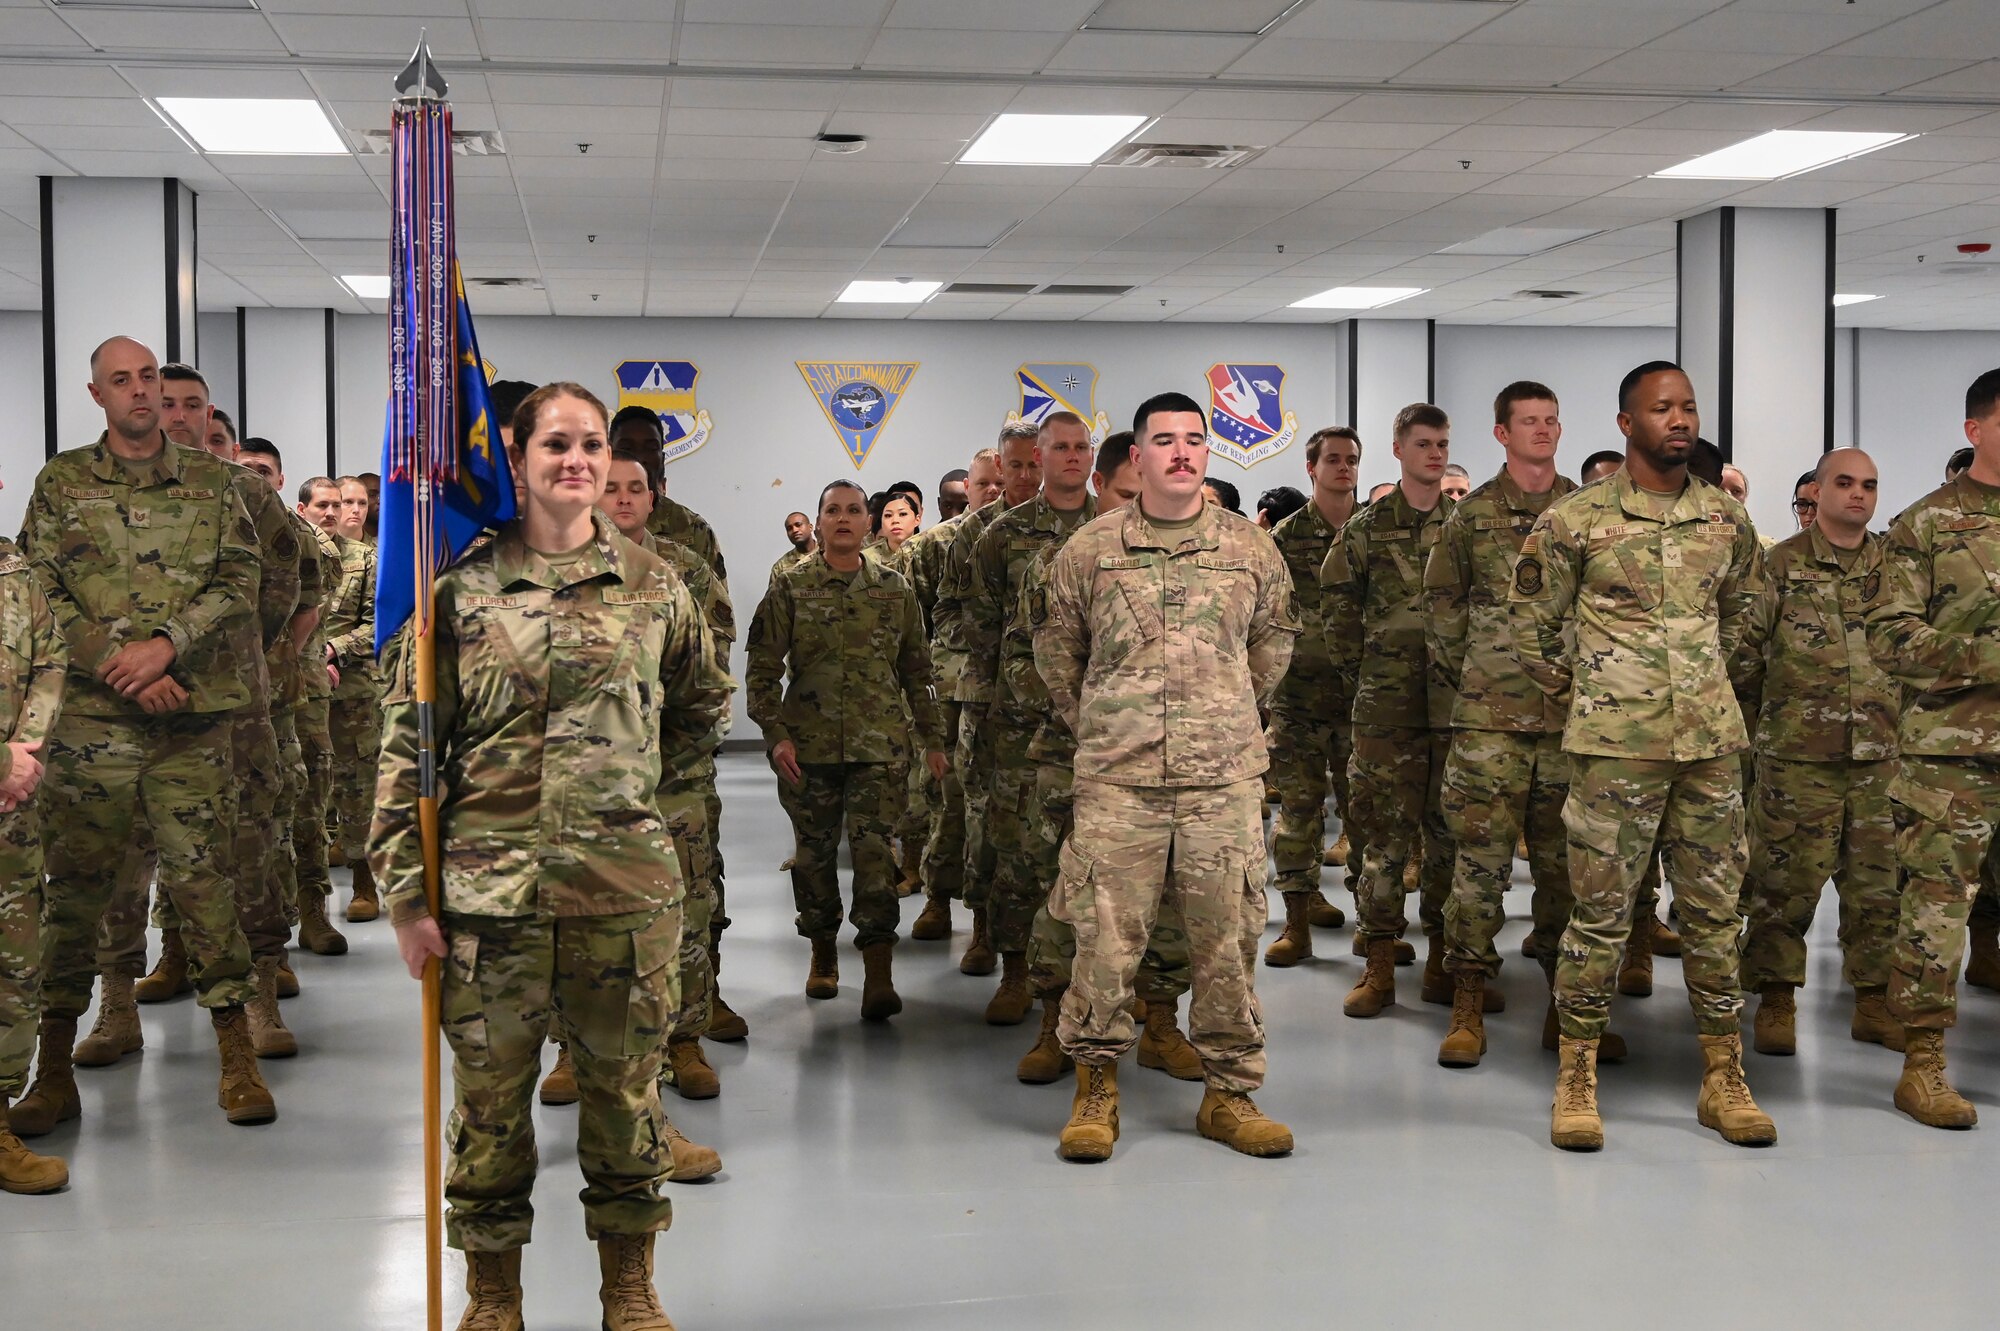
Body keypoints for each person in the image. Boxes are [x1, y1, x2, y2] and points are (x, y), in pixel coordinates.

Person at [378, 381, 730, 1330]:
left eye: (589, 445)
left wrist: (639, 805)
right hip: (491, 907)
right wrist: (408, 901)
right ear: (517, 460)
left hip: (624, 900)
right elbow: (406, 752)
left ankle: (628, 1284)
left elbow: (703, 706)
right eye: (554, 444)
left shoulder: (659, 584)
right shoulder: (458, 593)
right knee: (490, 1117)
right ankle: (493, 1294)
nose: (575, 460)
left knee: (624, 1100)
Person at [11, 337, 276, 1140]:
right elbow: (37, 580)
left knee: (206, 883)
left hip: (188, 717)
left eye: (149, 376)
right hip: (91, 721)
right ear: (96, 395)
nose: (139, 391)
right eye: (121, 380)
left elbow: (241, 576)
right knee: (76, 891)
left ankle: (237, 1055)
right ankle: (53, 1065)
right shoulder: (62, 480)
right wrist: (115, 663)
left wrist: (166, 644)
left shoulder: (212, 482)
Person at [1511, 360, 1774, 1152]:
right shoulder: (1576, 520)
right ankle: (1578, 1073)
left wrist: (1708, 685)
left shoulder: (1725, 520)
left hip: (1708, 752)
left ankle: (1724, 1075)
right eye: (1662, 409)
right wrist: (1592, 695)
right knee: (1596, 919)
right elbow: (1528, 628)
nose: (1680, 420)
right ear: (1627, 423)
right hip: (1612, 756)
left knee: (1716, 918)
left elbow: (1751, 617)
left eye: (1688, 407)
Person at [1037, 390, 1297, 1163]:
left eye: (1194, 439)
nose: (1181, 451)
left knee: (1228, 937)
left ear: (1206, 454)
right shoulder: (1089, 550)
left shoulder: (1251, 549)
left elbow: (1273, 644)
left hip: (1222, 780)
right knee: (1105, 941)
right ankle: (1095, 1085)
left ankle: (1229, 1093)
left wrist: (1227, 715)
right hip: (1120, 780)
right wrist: (1103, 725)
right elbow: (1058, 653)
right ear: (1138, 456)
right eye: (1165, 440)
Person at [83, 365, 301, 1067]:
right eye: (164, 401)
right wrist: (129, 670)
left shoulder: (243, 492)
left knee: (247, 853)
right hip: (120, 708)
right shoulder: (89, 487)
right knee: (119, 860)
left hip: (227, 712)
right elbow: (69, 592)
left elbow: (283, 582)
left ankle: (259, 993)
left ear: (210, 415)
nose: (175, 414)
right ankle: (116, 1003)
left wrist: (229, 662)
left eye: (190, 404)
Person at [1014, 433, 1200, 1084]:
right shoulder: (1064, 562)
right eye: (1126, 494)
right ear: (1099, 486)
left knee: (1170, 894)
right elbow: (1042, 661)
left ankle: (1161, 1022)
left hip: (1172, 760)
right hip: (1078, 755)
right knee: (1068, 893)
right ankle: (1055, 1023)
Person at [1430, 382, 1604, 1066]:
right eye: (1529, 422)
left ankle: (1568, 1012)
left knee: (1568, 871)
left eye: (1551, 421)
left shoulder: (1588, 513)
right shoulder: (1469, 517)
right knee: (1478, 868)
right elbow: (1442, 607)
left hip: (1571, 723)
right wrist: (1481, 672)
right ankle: (1468, 1002)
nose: (1543, 431)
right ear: (1501, 433)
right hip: (1490, 723)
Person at [746, 480, 944, 1020]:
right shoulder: (791, 587)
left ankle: (879, 967)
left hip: (879, 746)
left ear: (868, 522)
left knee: (875, 858)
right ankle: (822, 953)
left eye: (853, 511)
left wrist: (931, 740)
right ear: (820, 520)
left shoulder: (894, 589)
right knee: (813, 858)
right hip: (806, 750)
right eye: (832, 510)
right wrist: (775, 734)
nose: (842, 519)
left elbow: (916, 671)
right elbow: (762, 672)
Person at [1731, 447, 1901, 1058]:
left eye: (1870, 485)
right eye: (1846, 483)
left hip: (1882, 756)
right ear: (1819, 491)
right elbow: (1745, 656)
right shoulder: (1777, 565)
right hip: (1798, 756)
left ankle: (1874, 999)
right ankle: (1776, 996)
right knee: (1784, 883)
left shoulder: (1897, 567)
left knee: (1879, 888)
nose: (1858, 495)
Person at [1865, 368, 2000, 1129]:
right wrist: (1988, 658)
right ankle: (1922, 1065)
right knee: (1937, 912)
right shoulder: (1927, 526)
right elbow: (1893, 637)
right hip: (1955, 756)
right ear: (1974, 428)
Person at [1322, 403, 1458, 1018]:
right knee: (1382, 842)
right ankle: (1379, 964)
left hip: (1458, 711)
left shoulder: (1468, 527)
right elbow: (1337, 609)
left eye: (1442, 444)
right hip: (1386, 712)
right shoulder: (1368, 529)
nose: (1434, 454)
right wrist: (1368, 677)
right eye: (1423, 444)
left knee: (1452, 841)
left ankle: (1443, 962)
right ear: (1399, 450)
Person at [964, 412, 1097, 1025]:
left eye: (1081, 447)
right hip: (1022, 725)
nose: (1072, 457)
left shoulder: (1118, 530)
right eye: (1059, 449)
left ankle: (1096, 984)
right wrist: (991, 703)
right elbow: (978, 627)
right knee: (1020, 854)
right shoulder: (1003, 534)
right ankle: (1017, 972)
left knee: (1101, 856)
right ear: (1037, 458)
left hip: (1103, 726)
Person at [932, 426, 1041, 976]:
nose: (1021, 479)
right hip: (987, 700)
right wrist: (992, 647)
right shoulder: (969, 535)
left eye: (1030, 466)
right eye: (1013, 468)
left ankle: (1045, 948)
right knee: (985, 820)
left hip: (1056, 708)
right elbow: (945, 611)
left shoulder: (1078, 529)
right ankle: (982, 929)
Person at [1263, 427, 1364, 968]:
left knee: (1367, 816)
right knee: (1299, 814)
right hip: (1299, 698)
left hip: (1364, 702)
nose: (1343, 468)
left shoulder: (1371, 532)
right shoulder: (1282, 538)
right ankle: (1296, 922)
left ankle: (1375, 926)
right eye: (1332, 459)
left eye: (1351, 460)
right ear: (1312, 468)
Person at [0, 454, 68, 1194]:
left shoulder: (16, 572)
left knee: (16, 965)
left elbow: (50, 660)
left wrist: (26, 750)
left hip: (14, 814)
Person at [904, 447, 1004, 941]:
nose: (992, 493)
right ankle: (938, 898)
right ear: (969, 486)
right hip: (947, 685)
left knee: (995, 802)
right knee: (947, 797)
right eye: (983, 484)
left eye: (999, 486)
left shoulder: (1026, 533)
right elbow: (919, 618)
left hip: (1006, 692)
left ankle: (990, 918)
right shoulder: (936, 544)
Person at [323, 470, 381, 924]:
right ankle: (309, 904)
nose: (336, 512)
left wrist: (334, 649)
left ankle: (365, 883)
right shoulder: (293, 560)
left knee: (359, 791)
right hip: (300, 691)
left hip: (355, 693)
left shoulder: (365, 560)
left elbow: (378, 624)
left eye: (342, 504)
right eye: (328, 504)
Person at [773, 510, 816, 579]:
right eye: (789, 528)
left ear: (810, 527)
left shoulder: (830, 553)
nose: (794, 530)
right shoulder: (780, 567)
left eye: (798, 525)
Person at [334, 475, 370, 543]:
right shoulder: (316, 549)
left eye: (362, 503)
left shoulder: (381, 551)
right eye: (348, 502)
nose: (356, 510)